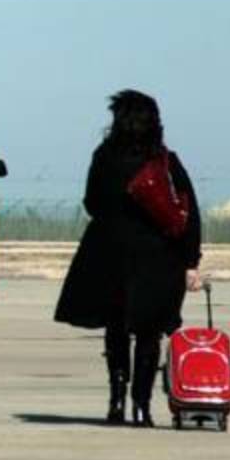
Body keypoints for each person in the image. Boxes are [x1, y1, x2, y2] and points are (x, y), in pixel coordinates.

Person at [54, 90, 202, 427]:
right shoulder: (165, 161)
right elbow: (189, 213)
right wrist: (191, 260)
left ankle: (116, 401)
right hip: (158, 258)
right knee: (149, 334)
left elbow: (91, 202)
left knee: (116, 328)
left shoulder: (103, 157)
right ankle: (142, 407)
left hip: (110, 253)